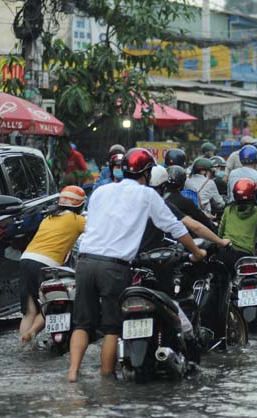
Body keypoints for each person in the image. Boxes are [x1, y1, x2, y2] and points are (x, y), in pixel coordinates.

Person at [67, 148, 206, 382]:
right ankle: (107, 376)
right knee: (112, 327)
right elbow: (175, 226)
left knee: (82, 323)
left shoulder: (101, 191)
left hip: (85, 262)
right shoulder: (147, 195)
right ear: (148, 172)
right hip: (114, 267)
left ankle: (72, 374)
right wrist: (196, 251)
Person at [18, 186, 87, 343]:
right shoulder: (77, 220)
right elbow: (98, 234)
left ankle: (23, 343)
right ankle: (33, 331)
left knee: (29, 311)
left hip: (26, 260)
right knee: (51, 303)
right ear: (79, 205)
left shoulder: (48, 217)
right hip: (46, 265)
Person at [140, 166, 230, 251]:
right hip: (164, 250)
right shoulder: (167, 203)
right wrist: (220, 241)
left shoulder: (140, 199)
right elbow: (197, 226)